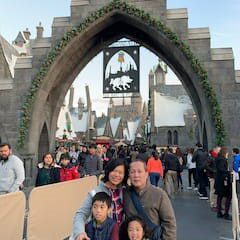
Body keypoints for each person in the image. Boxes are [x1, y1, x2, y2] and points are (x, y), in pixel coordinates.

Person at [71, 158, 128, 240]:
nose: (116, 175)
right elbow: (81, 214)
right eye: (114, 171)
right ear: (108, 171)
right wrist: (80, 232)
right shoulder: (95, 192)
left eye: (120, 173)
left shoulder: (124, 191)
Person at [124, 159, 176, 240]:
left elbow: (169, 223)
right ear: (129, 175)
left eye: (139, 171)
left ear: (146, 174)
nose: (136, 175)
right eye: (132, 172)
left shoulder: (159, 194)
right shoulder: (125, 194)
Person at [215, 147, 232, 220]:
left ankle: (219, 212)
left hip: (219, 180)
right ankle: (226, 213)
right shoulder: (222, 159)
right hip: (223, 180)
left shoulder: (218, 158)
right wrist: (228, 172)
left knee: (220, 196)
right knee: (228, 196)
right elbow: (221, 169)